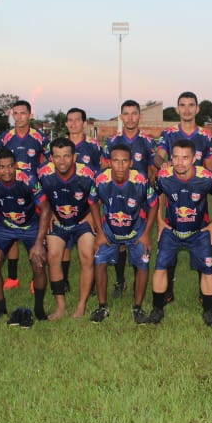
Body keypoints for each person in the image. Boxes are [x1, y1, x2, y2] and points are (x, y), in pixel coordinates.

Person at [148, 139, 212, 327]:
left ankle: (209, 310)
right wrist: (159, 220)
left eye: (185, 158)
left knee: (208, 269)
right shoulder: (164, 176)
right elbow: (158, 196)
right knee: (160, 267)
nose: (180, 162)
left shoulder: (206, 177)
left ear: (194, 158)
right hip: (172, 230)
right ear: (171, 157)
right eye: (176, 157)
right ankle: (157, 308)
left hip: (199, 231)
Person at [154, 91, 212, 303]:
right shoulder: (169, 133)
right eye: (183, 105)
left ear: (197, 109)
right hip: (173, 196)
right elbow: (158, 155)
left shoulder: (206, 136)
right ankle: (167, 292)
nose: (187, 109)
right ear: (178, 108)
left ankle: (203, 293)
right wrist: (160, 162)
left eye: (191, 105)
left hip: (197, 198)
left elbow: (210, 167)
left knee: (203, 243)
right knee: (169, 242)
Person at [0, 148, 52, 325]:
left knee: (38, 262)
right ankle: (0, 307)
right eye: (1, 167)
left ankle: (39, 309)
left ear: (16, 165)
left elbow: (46, 209)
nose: (7, 171)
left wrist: (39, 243)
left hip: (30, 225)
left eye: (11, 166)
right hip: (5, 226)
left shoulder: (28, 179)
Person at [89, 144, 158, 324]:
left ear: (131, 162)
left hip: (136, 230)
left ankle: (138, 307)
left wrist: (146, 233)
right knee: (99, 262)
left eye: (124, 161)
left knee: (143, 263)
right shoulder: (100, 179)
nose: (120, 166)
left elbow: (153, 205)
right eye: (115, 161)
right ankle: (102, 306)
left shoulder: (141, 180)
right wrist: (100, 231)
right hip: (110, 230)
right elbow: (92, 202)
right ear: (109, 162)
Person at [101, 100, 157, 298]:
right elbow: (105, 169)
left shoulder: (148, 141)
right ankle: (120, 281)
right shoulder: (112, 141)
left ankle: (136, 282)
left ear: (139, 116)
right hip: (117, 197)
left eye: (134, 113)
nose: (131, 117)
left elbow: (153, 167)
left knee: (136, 239)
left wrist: (145, 187)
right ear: (121, 117)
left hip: (139, 199)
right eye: (127, 113)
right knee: (120, 240)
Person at [38, 137, 97, 319]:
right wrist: (49, 213)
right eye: (57, 156)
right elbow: (41, 197)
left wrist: (90, 217)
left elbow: (97, 199)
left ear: (74, 157)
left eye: (66, 156)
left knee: (87, 257)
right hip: (60, 220)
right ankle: (61, 306)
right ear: (51, 158)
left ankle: (81, 306)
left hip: (82, 220)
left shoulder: (88, 175)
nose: (62, 161)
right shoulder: (43, 174)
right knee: (53, 256)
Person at [0, 100, 50, 290]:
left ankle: (37, 279)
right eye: (16, 113)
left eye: (22, 113)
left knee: (35, 233)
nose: (19, 117)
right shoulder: (5, 137)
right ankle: (12, 277)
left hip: (33, 192)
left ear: (30, 115)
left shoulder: (39, 137)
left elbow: (48, 162)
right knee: (11, 231)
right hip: (10, 191)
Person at [60, 108, 101, 293]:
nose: (73, 123)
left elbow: (100, 178)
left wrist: (95, 209)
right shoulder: (59, 145)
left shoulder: (94, 147)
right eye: (70, 120)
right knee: (64, 244)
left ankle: (91, 282)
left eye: (77, 120)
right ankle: (64, 279)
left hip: (86, 204)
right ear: (66, 123)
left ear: (85, 123)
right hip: (63, 202)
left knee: (88, 244)